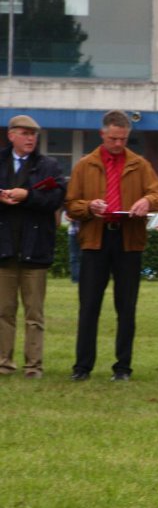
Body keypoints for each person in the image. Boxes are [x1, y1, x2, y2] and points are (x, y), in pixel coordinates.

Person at [65, 110, 158, 382]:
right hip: (95, 241)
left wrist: (147, 201)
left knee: (126, 306)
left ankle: (123, 367)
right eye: (113, 138)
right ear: (102, 135)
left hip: (128, 241)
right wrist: (89, 207)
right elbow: (71, 205)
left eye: (123, 139)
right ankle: (82, 367)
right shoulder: (85, 166)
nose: (118, 144)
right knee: (89, 306)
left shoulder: (140, 164)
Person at [0, 115, 65, 378]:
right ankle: (4, 362)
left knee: (34, 313)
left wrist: (28, 196)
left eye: (34, 134)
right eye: (25, 133)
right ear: (11, 135)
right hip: (4, 250)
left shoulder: (48, 165)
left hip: (35, 250)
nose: (30, 138)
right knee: (3, 312)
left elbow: (57, 197)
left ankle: (33, 365)